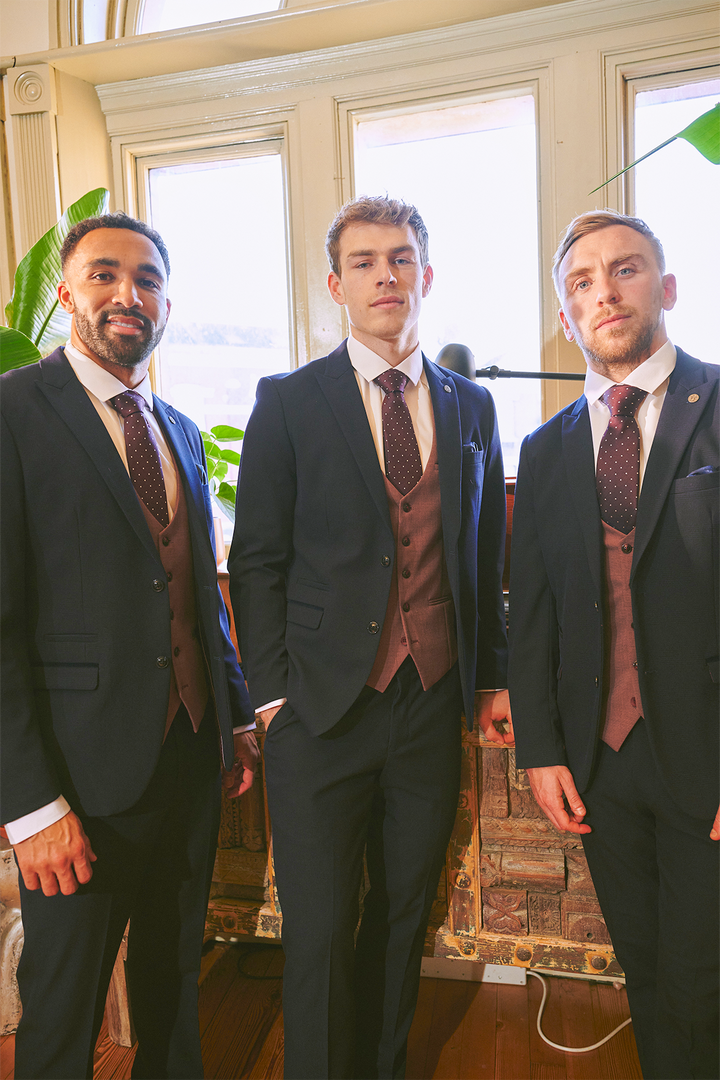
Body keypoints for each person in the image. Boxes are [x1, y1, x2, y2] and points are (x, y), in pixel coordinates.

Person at [229, 195, 511, 1080]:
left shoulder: (472, 406)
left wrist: (489, 680)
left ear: (425, 275)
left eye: (400, 258)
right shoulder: (288, 400)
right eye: (364, 261)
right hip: (317, 713)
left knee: (400, 918)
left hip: (428, 708)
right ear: (336, 284)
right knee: (316, 927)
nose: (385, 274)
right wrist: (273, 699)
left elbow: (484, 557)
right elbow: (260, 558)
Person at [0, 212, 258, 1080]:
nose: (126, 293)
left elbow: (196, 596)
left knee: (173, 979)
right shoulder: (10, 412)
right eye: (104, 274)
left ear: (166, 305)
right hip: (76, 784)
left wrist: (234, 719)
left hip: (187, 762)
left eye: (145, 279)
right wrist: (32, 807)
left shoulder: (179, 430)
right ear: (66, 291)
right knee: (64, 1002)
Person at [508, 209, 720, 1079]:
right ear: (567, 318)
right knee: (646, 965)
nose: (605, 291)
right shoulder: (548, 447)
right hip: (602, 758)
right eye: (582, 283)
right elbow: (536, 614)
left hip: (708, 753)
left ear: (665, 288)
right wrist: (543, 749)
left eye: (625, 270)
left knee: (702, 977)